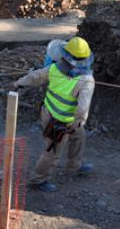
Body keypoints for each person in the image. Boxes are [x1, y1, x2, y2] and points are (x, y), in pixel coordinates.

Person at [13, 36, 95, 192]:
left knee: (79, 136)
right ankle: (37, 180)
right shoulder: (86, 80)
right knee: (52, 151)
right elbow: (83, 108)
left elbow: (35, 76)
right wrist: (77, 122)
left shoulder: (55, 68)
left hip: (49, 113)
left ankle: (74, 166)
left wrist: (19, 82)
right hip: (62, 123)